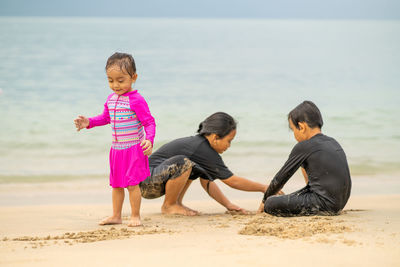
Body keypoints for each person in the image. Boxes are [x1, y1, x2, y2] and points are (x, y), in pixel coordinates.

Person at [74, 52, 156, 226]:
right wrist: (88, 122)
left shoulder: (137, 100)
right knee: (117, 185)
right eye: (110, 80)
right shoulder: (111, 99)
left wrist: (149, 140)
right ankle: (116, 216)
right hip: (117, 150)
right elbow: (105, 118)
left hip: (134, 149)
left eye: (120, 80)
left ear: (133, 77)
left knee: (132, 185)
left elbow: (149, 122)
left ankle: (135, 216)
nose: (115, 85)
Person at [140, 112, 269, 216]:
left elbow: (207, 182)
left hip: (155, 181)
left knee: (193, 168)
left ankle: (177, 202)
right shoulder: (202, 148)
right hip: (147, 181)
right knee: (183, 163)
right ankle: (169, 205)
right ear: (215, 137)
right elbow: (232, 181)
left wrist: (228, 205)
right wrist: (264, 188)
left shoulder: (202, 149)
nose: (229, 146)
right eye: (229, 141)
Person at [258, 101, 351, 216]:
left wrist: (264, 201)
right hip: (339, 203)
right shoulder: (333, 142)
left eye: (293, 130)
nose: (294, 135)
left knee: (271, 203)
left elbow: (280, 179)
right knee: (287, 196)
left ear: (301, 127)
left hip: (324, 204)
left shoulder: (304, 146)